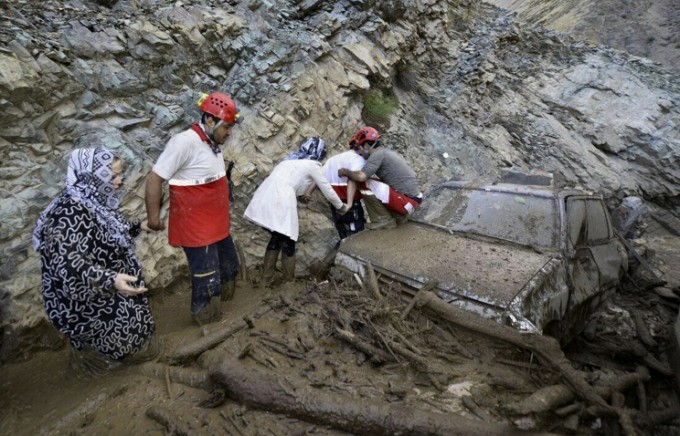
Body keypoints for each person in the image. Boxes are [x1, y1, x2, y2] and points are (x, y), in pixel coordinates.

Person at [33, 147, 158, 376]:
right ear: (90, 177)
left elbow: (108, 234)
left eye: (120, 175)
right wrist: (111, 279)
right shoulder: (67, 214)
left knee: (135, 337)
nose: (120, 182)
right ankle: (102, 370)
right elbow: (70, 266)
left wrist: (137, 227)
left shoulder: (91, 201)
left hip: (111, 290)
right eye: (112, 177)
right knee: (116, 353)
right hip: (91, 303)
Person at [145, 92, 240, 326]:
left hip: (216, 223)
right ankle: (205, 320)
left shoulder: (211, 142)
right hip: (197, 228)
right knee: (208, 281)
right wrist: (154, 219)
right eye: (226, 127)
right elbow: (153, 179)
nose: (229, 133)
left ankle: (224, 313)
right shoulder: (183, 142)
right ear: (210, 121)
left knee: (231, 267)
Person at [243, 137, 349, 287]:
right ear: (319, 153)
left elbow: (292, 182)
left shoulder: (288, 160)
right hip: (282, 199)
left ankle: (265, 280)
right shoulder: (313, 164)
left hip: (265, 195)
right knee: (289, 240)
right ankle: (288, 282)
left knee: (276, 238)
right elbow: (328, 190)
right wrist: (341, 207)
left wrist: (301, 196)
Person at [338, 126, 422, 229]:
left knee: (362, 182)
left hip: (408, 203)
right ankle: (396, 216)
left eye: (359, 147)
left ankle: (384, 220)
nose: (359, 152)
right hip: (412, 200)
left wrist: (345, 171)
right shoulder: (384, 152)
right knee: (376, 183)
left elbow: (361, 177)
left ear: (366, 145)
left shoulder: (377, 155)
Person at [320, 138, 367, 244]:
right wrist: (349, 204)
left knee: (343, 234)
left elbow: (319, 177)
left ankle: (343, 255)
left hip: (335, 203)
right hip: (350, 204)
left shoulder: (333, 159)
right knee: (356, 236)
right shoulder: (358, 160)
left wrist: (308, 193)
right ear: (360, 147)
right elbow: (353, 179)